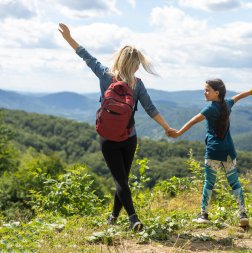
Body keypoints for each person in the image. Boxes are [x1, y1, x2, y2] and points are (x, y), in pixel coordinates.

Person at [58, 23, 174, 231]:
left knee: (121, 181)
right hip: (129, 136)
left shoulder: (105, 75)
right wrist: (167, 128)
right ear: (136, 66)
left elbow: (87, 57)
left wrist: (69, 38)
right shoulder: (137, 84)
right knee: (123, 180)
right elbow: (150, 108)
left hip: (107, 138)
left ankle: (120, 218)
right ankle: (129, 218)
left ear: (119, 60)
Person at [168, 78, 252, 227]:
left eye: (208, 90)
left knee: (209, 182)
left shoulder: (210, 109)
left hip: (214, 150)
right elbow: (238, 96)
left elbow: (193, 121)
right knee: (234, 182)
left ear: (217, 92)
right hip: (229, 150)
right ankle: (242, 214)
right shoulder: (227, 104)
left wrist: (178, 133)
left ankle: (204, 214)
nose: (205, 92)